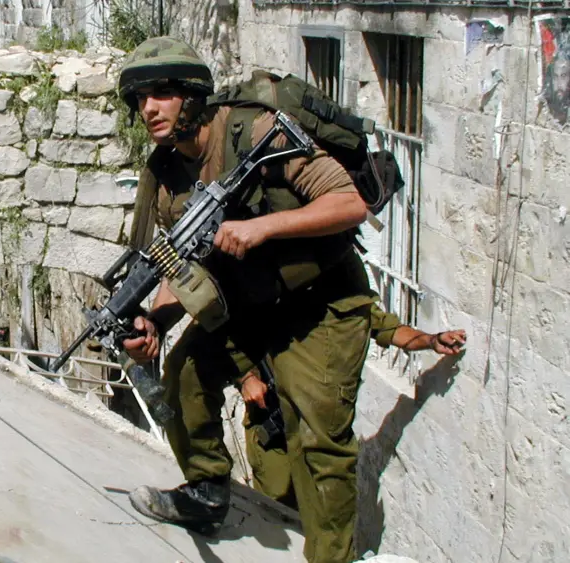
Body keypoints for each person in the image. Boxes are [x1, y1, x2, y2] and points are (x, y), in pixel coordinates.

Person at [119, 37, 377, 563]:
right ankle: (205, 493)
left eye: (162, 93)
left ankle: (331, 557)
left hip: (321, 302)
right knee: (185, 373)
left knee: (317, 434)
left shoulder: (254, 130)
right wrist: (156, 323)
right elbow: (179, 266)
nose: (149, 108)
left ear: (193, 96)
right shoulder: (167, 175)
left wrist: (263, 228)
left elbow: (350, 204)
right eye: (141, 98)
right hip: (251, 301)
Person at [239, 303, 467, 508]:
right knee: (274, 505)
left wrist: (431, 340)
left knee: (326, 510)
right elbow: (231, 337)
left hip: (321, 426)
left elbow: (389, 329)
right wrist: (246, 379)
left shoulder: (341, 294)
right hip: (273, 421)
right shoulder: (266, 286)